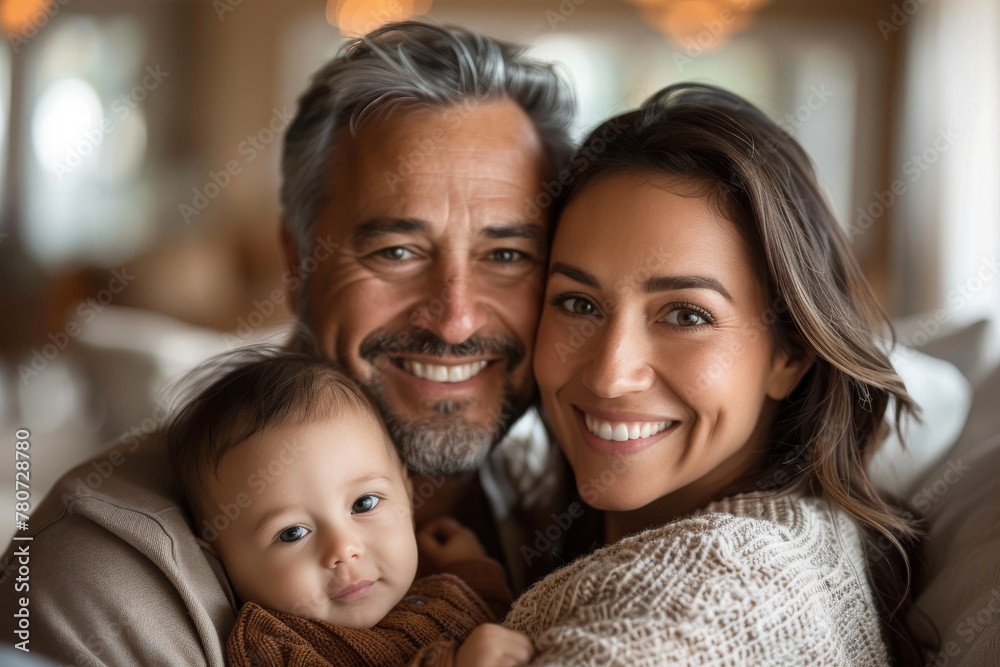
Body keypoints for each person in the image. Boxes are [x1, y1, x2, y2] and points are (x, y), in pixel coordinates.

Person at [0, 21, 576, 666]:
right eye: (396, 250)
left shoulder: (558, 495)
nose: (456, 320)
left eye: (506, 253)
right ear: (296, 262)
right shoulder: (102, 579)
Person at [504, 83, 924, 665]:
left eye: (685, 314)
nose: (609, 375)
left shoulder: (721, 590)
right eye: (578, 303)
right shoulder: (545, 512)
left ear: (791, 353)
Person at [166, 346, 533, 666]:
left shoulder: (437, 587)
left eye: (364, 503)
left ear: (406, 488)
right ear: (219, 558)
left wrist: (469, 570)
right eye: (292, 533)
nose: (344, 549)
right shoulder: (276, 645)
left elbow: (489, 613)